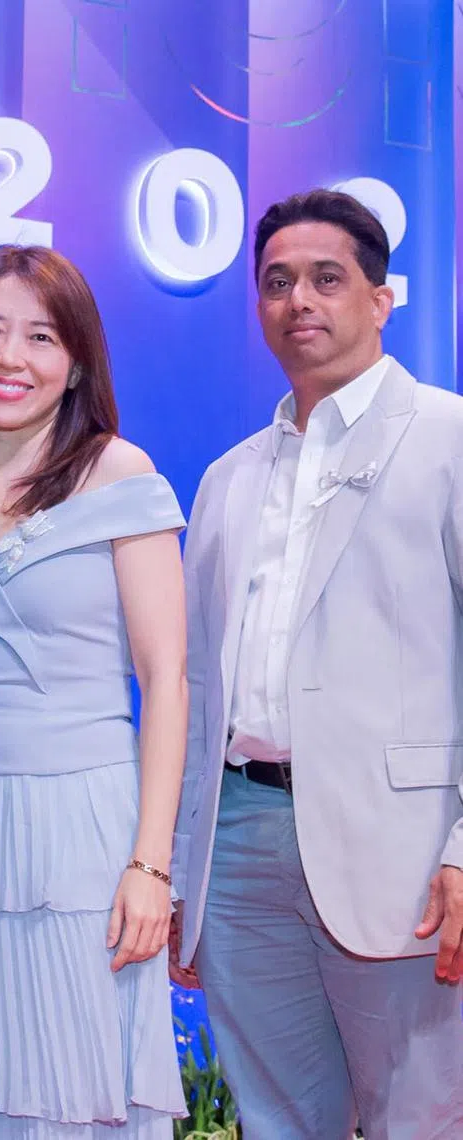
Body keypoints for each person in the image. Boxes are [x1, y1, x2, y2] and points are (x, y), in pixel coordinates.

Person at [174, 188, 463, 1139]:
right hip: (242, 846)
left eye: (327, 278)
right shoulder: (227, 477)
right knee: (277, 1121)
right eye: (277, 282)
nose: (300, 299)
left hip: (406, 849)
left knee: (421, 1117)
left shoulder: (449, 442)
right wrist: (185, 870)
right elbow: (197, 690)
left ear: (382, 299)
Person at [0, 244, 187, 1138]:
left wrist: (151, 864)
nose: (10, 358)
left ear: (77, 358)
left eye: (41, 337)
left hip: (85, 825)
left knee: (80, 1087)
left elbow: (167, 681)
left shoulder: (120, 473)